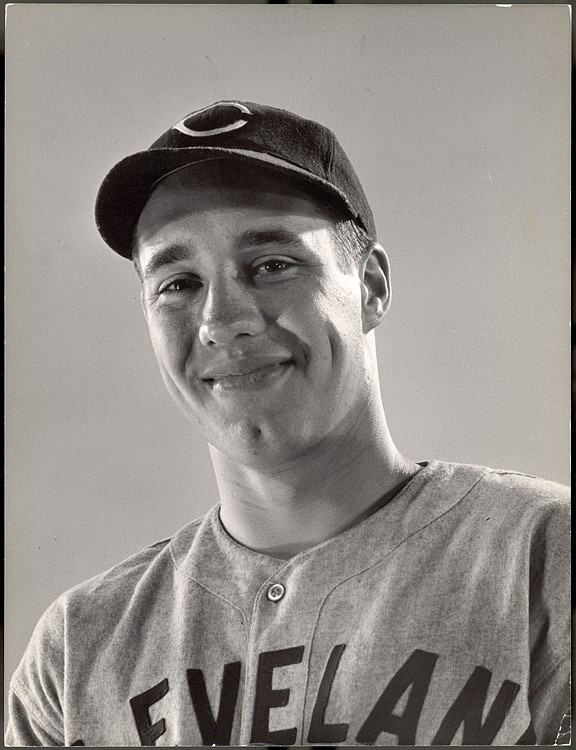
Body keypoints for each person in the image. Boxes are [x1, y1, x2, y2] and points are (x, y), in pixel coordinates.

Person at [6, 100, 570, 747]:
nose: (223, 321)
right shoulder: (77, 653)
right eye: (178, 283)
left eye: (272, 265)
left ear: (372, 286)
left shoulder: (545, 560)